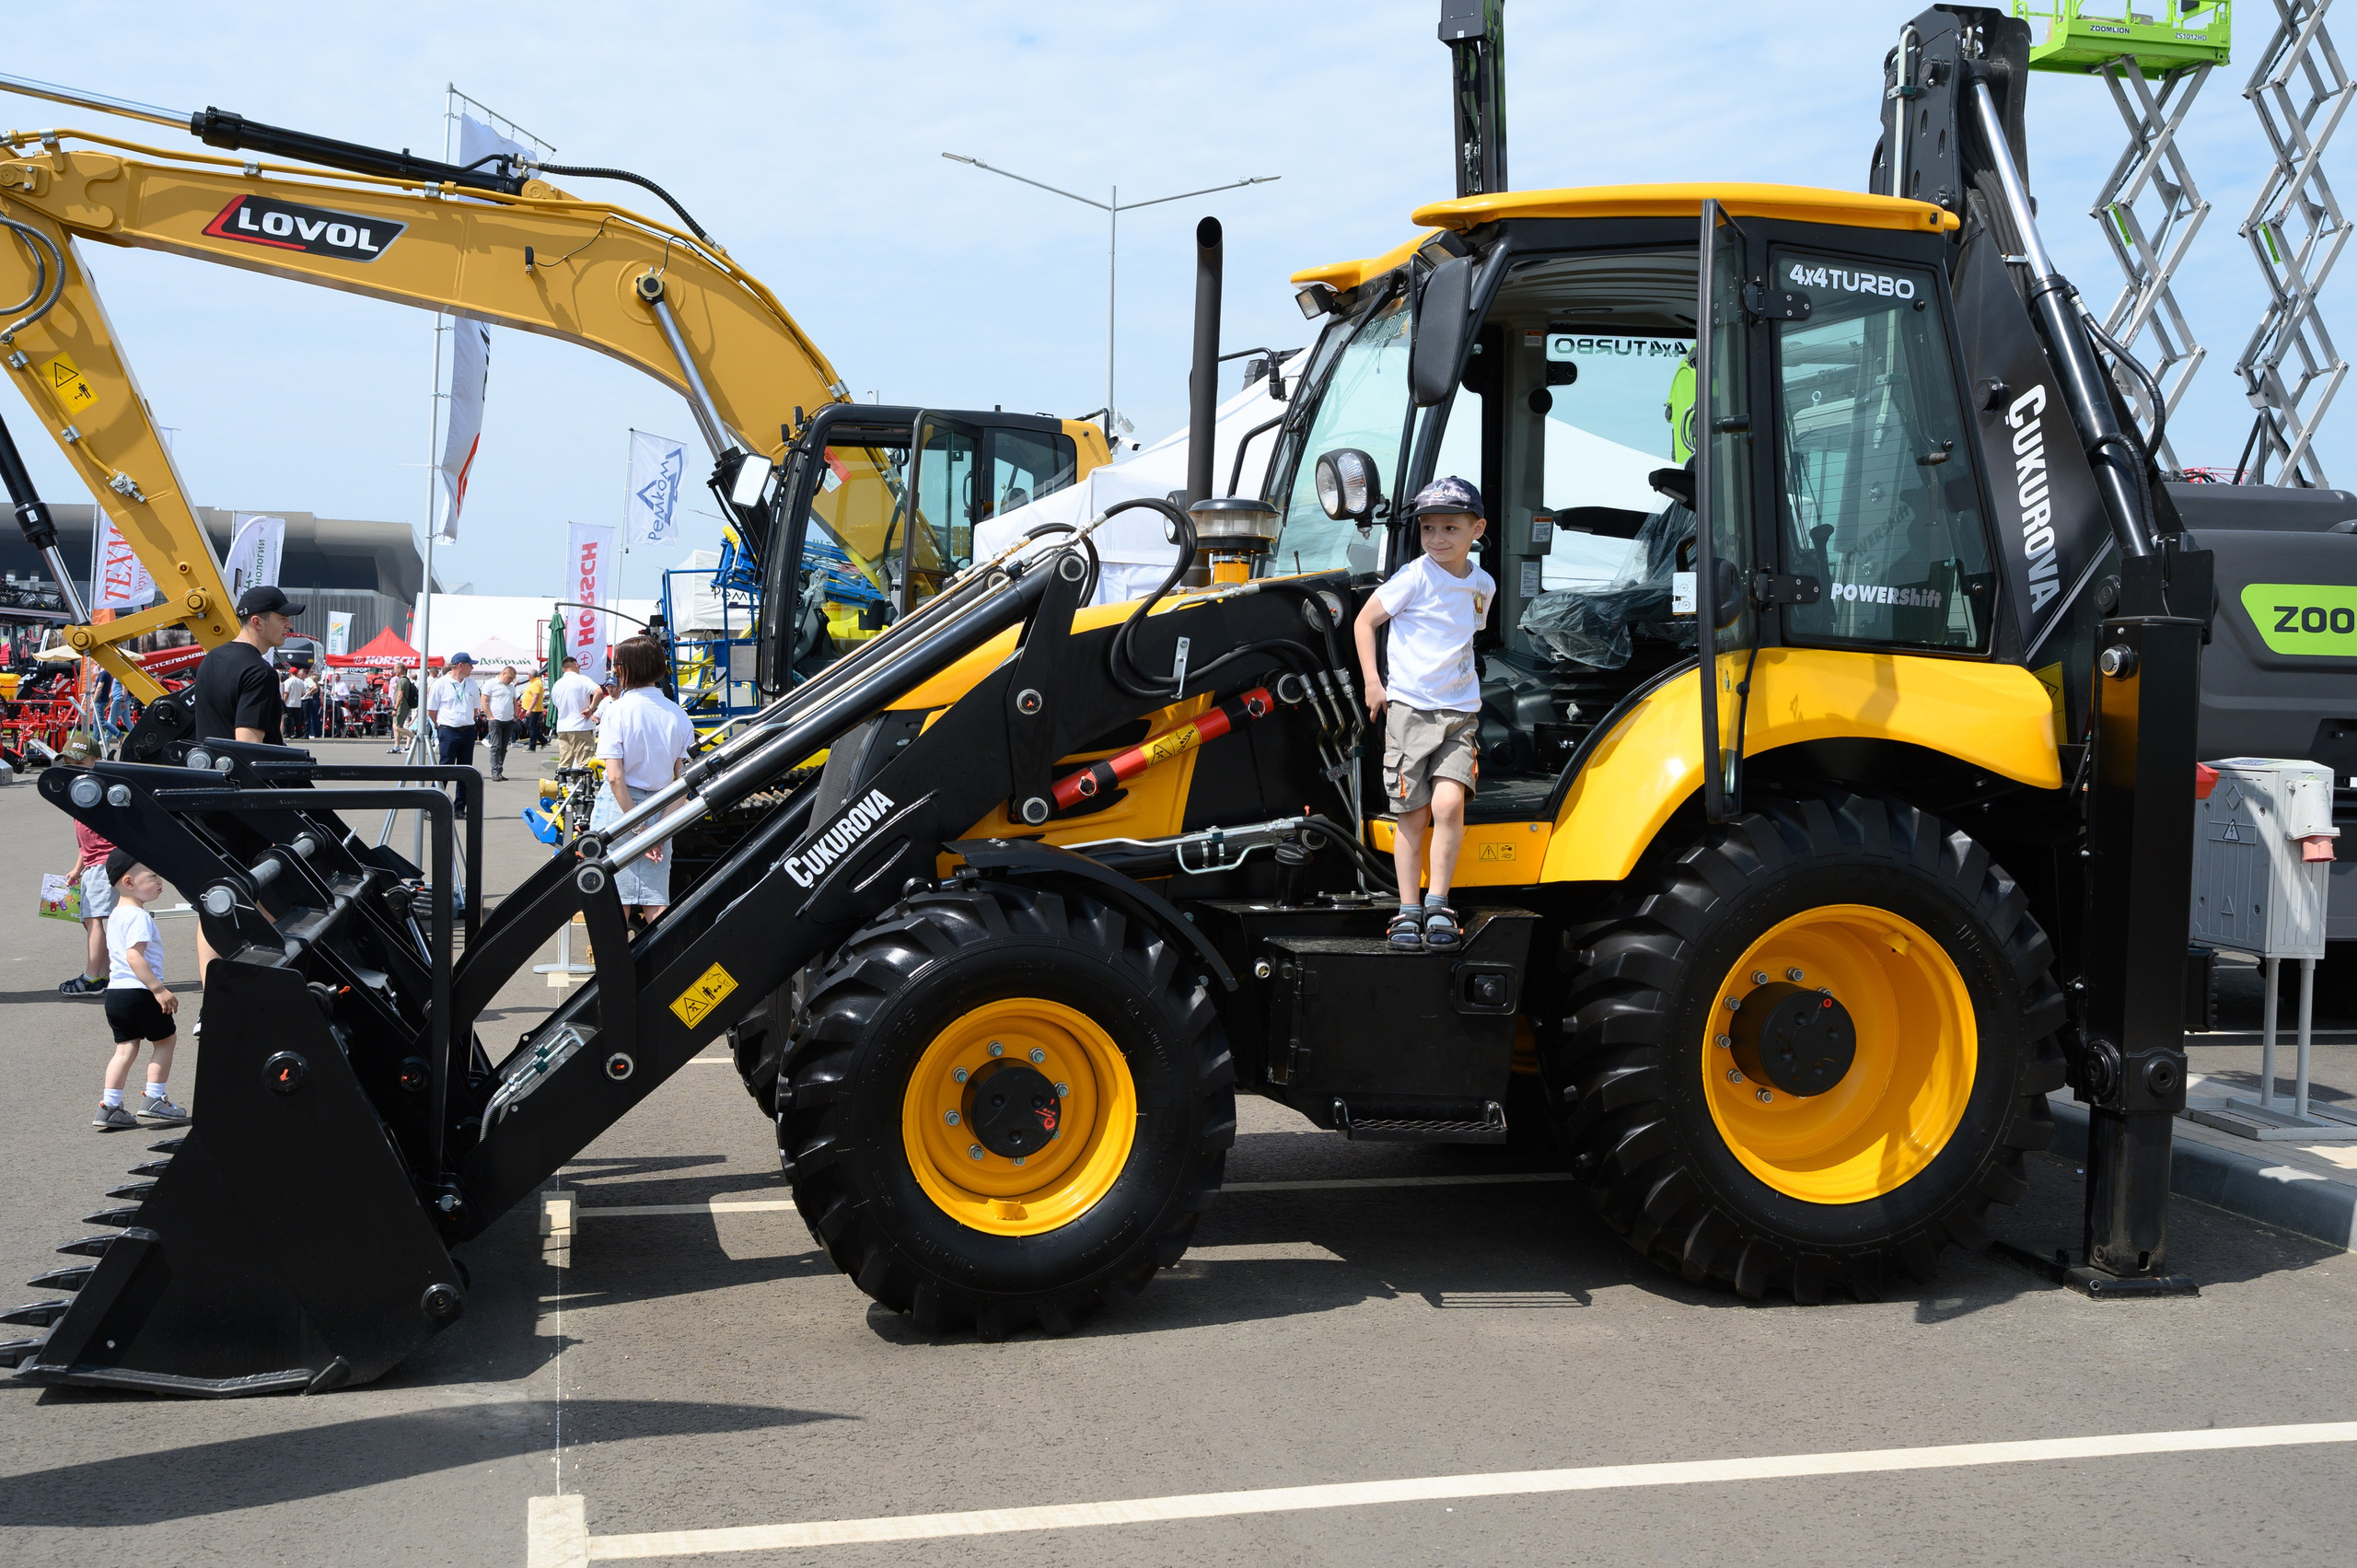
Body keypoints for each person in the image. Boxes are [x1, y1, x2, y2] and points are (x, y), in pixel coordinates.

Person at [1353, 476, 1494, 954]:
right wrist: (1374, 683)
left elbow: (1468, 634)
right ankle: (1409, 909)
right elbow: (1365, 621)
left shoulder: (1483, 584)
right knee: (1412, 815)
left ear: (1477, 530)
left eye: (1450, 528)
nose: (1437, 538)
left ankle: (1439, 903)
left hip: (1459, 713)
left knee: (1449, 805)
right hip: (1410, 712)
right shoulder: (1414, 577)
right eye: (1428, 528)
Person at [592, 635, 695, 928]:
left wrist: (638, 828)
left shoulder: (617, 711)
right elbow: (685, 780)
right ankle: (664, 957)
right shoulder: (678, 715)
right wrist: (659, 828)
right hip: (663, 805)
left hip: (620, 809)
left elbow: (615, 777)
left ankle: (613, 959)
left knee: (615, 898)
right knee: (655, 897)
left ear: (625, 669)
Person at [94, 849, 190, 1130]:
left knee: (124, 1049)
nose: (160, 881)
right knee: (165, 1042)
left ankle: (110, 1106)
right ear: (128, 882)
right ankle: (155, 1098)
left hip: (116, 994)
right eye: (153, 876)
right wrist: (158, 989)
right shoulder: (139, 917)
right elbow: (134, 956)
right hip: (141, 992)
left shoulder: (116, 915)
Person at [192, 584, 297, 747]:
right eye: (282, 618)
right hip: (240, 763)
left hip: (209, 760)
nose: (289, 625)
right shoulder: (260, 672)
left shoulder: (211, 658)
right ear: (257, 623)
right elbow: (249, 745)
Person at [58, 813, 116, 995]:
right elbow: (85, 844)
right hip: (91, 865)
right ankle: (106, 974)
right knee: (87, 919)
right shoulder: (79, 807)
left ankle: (92, 977)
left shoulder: (93, 803)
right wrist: (78, 868)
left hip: (104, 864)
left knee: (93, 918)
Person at [427, 653, 487, 810]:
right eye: (470, 665)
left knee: (465, 770)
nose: (472, 668)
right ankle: (433, 806)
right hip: (448, 731)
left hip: (468, 731)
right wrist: (439, 725)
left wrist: (466, 720)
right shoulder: (440, 684)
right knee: (445, 768)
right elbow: (432, 710)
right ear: (461, 665)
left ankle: (460, 807)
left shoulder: (471, 684)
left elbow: (475, 708)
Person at [549, 655, 601, 769]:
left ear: (563, 669)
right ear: (576, 665)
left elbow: (557, 705)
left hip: (563, 727)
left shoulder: (557, 685)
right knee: (585, 763)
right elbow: (598, 691)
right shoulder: (582, 679)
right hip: (581, 726)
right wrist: (591, 708)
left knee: (564, 763)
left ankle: (562, 780)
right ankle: (584, 781)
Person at [484, 664, 520, 781]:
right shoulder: (491, 684)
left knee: (503, 748)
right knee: (496, 746)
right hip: (496, 720)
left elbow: (514, 702)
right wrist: (490, 716)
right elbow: (484, 701)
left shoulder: (511, 687)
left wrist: (515, 716)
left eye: (512, 679)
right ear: (504, 673)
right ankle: (495, 771)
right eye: (509, 678)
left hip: (509, 720)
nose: (511, 680)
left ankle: (499, 770)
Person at [519, 666, 548, 751]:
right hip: (531, 708)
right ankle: (543, 741)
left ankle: (532, 746)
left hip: (534, 709)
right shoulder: (533, 682)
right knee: (530, 726)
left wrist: (529, 709)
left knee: (532, 727)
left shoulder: (536, 683)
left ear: (530, 676)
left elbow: (535, 697)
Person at [390, 669, 418, 753]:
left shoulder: (402, 681)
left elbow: (400, 695)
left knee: (397, 727)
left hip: (401, 706)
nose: (394, 671)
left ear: (400, 670)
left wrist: (395, 708)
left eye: (395, 669)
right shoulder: (405, 680)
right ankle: (396, 747)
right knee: (395, 726)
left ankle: (415, 738)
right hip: (402, 705)